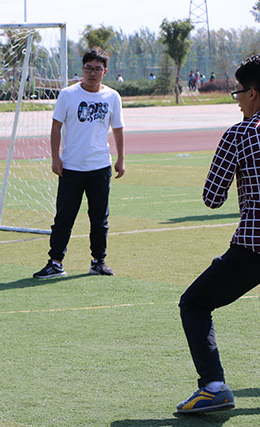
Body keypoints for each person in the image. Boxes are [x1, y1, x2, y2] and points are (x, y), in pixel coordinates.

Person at [176, 55, 260, 414]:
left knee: (194, 303)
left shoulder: (240, 133)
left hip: (254, 245)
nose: (237, 99)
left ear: (253, 93)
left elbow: (212, 197)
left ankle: (213, 386)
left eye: (238, 92)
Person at [33, 48, 125, 279]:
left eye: (97, 69)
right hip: (71, 167)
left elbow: (118, 129)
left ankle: (98, 261)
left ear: (104, 72)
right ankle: (55, 263)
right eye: (88, 68)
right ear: (81, 69)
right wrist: (56, 157)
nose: (92, 73)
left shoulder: (112, 97)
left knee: (99, 219)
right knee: (64, 217)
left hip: (100, 167)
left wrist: (121, 159)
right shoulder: (68, 95)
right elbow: (56, 127)